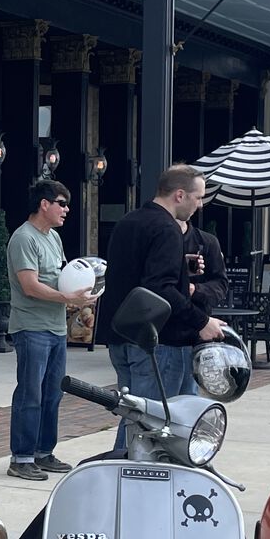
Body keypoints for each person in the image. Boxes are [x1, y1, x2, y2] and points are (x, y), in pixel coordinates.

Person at [96, 164, 225, 448]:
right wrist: (202, 322)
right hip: (157, 340)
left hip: (121, 335)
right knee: (151, 420)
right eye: (198, 197)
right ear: (180, 195)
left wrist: (182, 275)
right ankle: (129, 477)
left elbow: (137, 278)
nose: (200, 205)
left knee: (134, 413)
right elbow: (160, 288)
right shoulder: (167, 228)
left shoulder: (128, 222)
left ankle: (125, 473)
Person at [5, 178, 92, 481]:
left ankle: (44, 452)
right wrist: (67, 297)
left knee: (52, 394)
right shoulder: (23, 238)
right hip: (31, 328)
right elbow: (30, 286)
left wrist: (82, 294)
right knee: (30, 394)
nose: (67, 209)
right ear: (44, 204)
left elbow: (63, 278)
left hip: (55, 328)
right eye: (62, 203)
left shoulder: (53, 238)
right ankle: (22, 457)